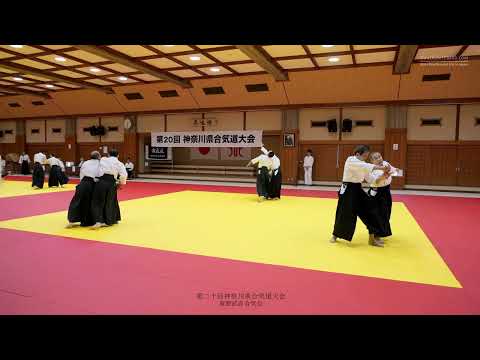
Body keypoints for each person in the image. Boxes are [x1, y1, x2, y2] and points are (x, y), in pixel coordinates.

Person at [330, 145, 390, 247]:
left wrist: (382, 176)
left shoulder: (363, 164)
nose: (366, 158)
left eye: (367, 156)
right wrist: (381, 167)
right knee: (344, 213)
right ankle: (335, 235)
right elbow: (364, 166)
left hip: (358, 188)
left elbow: (372, 180)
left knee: (371, 209)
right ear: (357, 154)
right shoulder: (351, 160)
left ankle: (373, 238)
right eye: (365, 156)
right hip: (348, 189)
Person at [363, 152, 398, 244]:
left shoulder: (386, 163)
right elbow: (375, 182)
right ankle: (375, 235)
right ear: (372, 161)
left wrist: (392, 171)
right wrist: (383, 175)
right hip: (377, 192)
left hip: (386, 191)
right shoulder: (371, 169)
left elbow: (395, 171)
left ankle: (381, 233)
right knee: (377, 214)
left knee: (386, 212)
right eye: (376, 158)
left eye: (379, 156)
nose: (379, 158)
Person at [90, 149, 128, 229]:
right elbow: (123, 175)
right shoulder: (120, 163)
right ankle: (109, 221)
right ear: (118, 155)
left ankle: (98, 221)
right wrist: (121, 184)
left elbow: (96, 166)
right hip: (111, 183)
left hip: (102, 181)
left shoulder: (103, 159)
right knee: (110, 201)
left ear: (108, 154)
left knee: (98, 201)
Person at [66, 151, 101, 228]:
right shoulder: (100, 163)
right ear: (98, 157)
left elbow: (81, 174)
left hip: (83, 183)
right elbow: (100, 174)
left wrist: (81, 184)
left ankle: (71, 220)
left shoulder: (85, 163)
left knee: (77, 201)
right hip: (93, 183)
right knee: (92, 202)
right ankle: (92, 220)